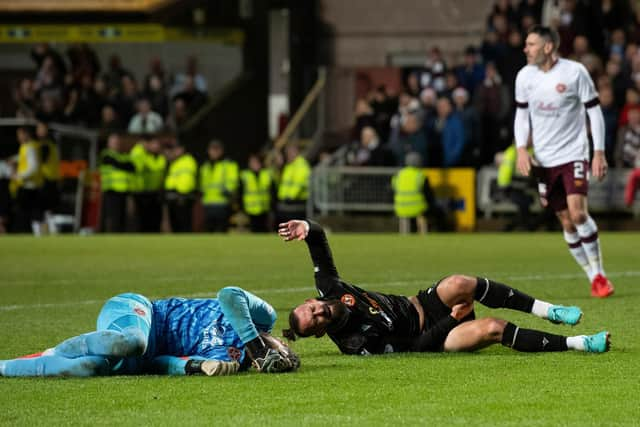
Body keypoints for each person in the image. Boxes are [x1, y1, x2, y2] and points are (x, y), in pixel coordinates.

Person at [278, 219, 610, 356]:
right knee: (494, 327)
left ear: (311, 300)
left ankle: (549, 311)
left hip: (422, 302)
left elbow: (319, 240)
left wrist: (306, 226)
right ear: (320, 333)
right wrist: (452, 318)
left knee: (460, 282)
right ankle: (580, 343)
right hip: (438, 335)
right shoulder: (354, 342)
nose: (319, 313)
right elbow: (417, 346)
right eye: (316, 322)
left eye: (312, 309)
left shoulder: (330, 288)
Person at [513, 25, 614, 298]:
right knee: (567, 222)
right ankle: (592, 276)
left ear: (548, 47)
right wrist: (522, 149)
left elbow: (594, 112)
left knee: (578, 213)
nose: (526, 49)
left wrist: (599, 152)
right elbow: (522, 116)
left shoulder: (574, 72)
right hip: (544, 160)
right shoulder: (524, 77)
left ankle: (600, 274)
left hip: (573, 153)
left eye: (531, 44)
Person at [0, 287, 297, 377]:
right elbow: (229, 294)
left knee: (89, 368)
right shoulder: (263, 317)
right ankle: (56, 351)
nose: (271, 354)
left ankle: (4, 368)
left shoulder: (231, 359)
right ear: (279, 342)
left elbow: (160, 363)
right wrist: (255, 342)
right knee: (134, 341)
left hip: (148, 353)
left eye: (272, 359)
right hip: (140, 313)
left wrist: (192, 367)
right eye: (278, 351)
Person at [199, 140, 239, 233]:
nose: (214, 152)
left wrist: (228, 191)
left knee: (222, 231)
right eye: (212, 149)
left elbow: (233, 181)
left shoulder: (228, 164)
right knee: (209, 231)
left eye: (217, 149)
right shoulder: (205, 166)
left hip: (223, 203)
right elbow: (202, 185)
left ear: (221, 151)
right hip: (208, 204)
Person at [130, 134, 166, 233]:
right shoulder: (141, 154)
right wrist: (141, 147)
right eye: (154, 144)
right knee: (142, 220)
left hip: (155, 192)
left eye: (158, 144)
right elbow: (139, 166)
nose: (156, 146)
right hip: (142, 192)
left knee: (155, 220)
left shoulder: (160, 157)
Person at [99, 133, 135, 233]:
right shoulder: (106, 154)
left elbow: (132, 167)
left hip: (124, 191)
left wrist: (124, 165)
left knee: (122, 217)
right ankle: (108, 234)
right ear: (109, 144)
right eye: (114, 142)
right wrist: (124, 165)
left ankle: (120, 236)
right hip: (111, 190)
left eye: (117, 142)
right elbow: (120, 164)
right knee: (112, 216)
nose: (116, 144)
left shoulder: (123, 156)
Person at [11, 127, 43, 235]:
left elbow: (33, 167)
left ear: (27, 134)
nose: (18, 137)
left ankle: (29, 232)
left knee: (28, 211)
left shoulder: (30, 147)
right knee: (30, 211)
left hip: (30, 185)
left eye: (20, 134)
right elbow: (22, 158)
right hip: (27, 185)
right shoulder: (26, 147)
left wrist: (19, 176)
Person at [164, 142, 197, 233]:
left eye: (177, 149)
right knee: (175, 225)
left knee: (184, 224)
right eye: (174, 150)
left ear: (182, 149)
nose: (175, 151)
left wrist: (182, 194)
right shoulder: (174, 162)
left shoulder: (188, 160)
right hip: (173, 196)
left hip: (183, 196)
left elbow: (187, 179)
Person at [240, 153, 276, 233]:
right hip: (250, 209)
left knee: (265, 231)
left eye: (256, 162)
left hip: (265, 208)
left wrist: (272, 206)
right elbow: (240, 192)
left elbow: (273, 192)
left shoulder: (267, 174)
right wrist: (241, 207)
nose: (254, 164)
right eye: (252, 162)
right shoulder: (245, 175)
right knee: (254, 231)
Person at [276, 144, 310, 225]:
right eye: (287, 153)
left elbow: (298, 183)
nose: (289, 155)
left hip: (296, 202)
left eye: (291, 152)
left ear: (296, 152)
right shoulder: (290, 165)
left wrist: (290, 197)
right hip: (287, 202)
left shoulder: (301, 165)